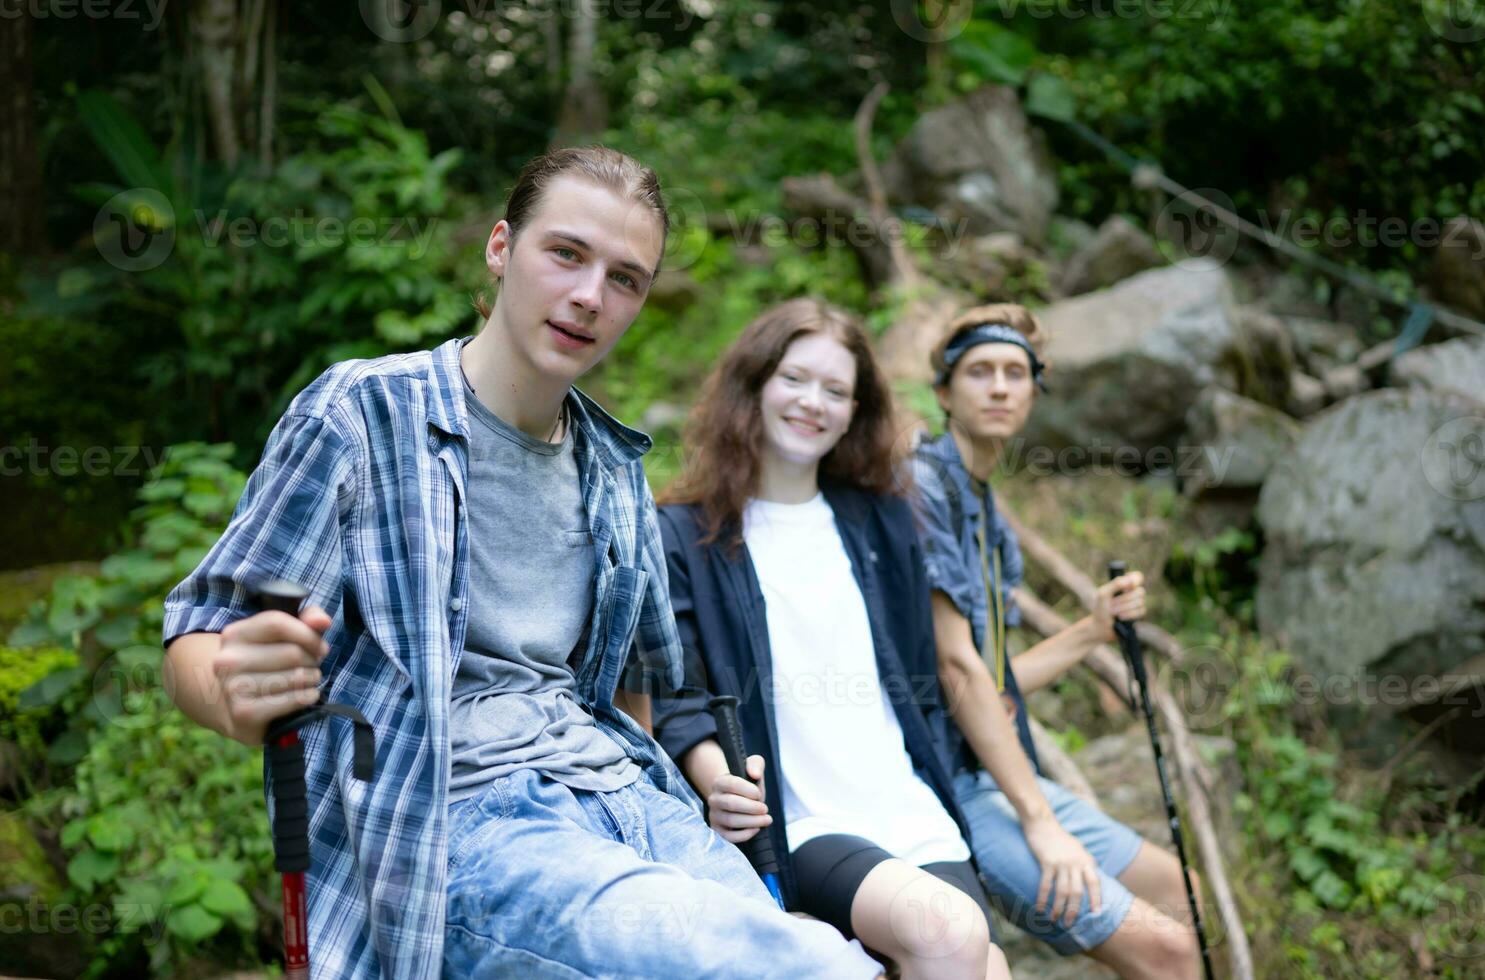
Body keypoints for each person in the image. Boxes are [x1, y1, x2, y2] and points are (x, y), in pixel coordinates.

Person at [161, 147, 882, 979]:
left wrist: (682, 797)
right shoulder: (363, 417)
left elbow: (632, 689)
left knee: (827, 957)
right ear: (500, 248)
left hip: (628, 805)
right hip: (460, 820)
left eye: (625, 279)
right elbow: (195, 644)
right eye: (566, 254)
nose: (589, 296)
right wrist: (237, 689)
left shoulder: (615, 471)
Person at [650, 298, 1013, 980]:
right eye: (794, 378)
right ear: (753, 385)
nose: (811, 402)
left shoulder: (881, 523)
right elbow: (674, 691)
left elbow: (918, 674)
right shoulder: (683, 534)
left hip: (910, 810)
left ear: (855, 411)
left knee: (987, 967)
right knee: (948, 934)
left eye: (835, 390)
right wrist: (716, 781)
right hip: (801, 821)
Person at [907, 303, 1203, 980]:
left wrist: (1091, 630)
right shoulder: (923, 489)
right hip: (945, 782)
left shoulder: (983, 507)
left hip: (992, 768)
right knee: (1169, 952)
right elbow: (956, 671)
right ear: (944, 392)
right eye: (979, 371)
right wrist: (1038, 818)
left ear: (1035, 392)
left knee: (1176, 891)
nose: (1000, 387)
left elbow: (994, 677)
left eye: (1016, 373)